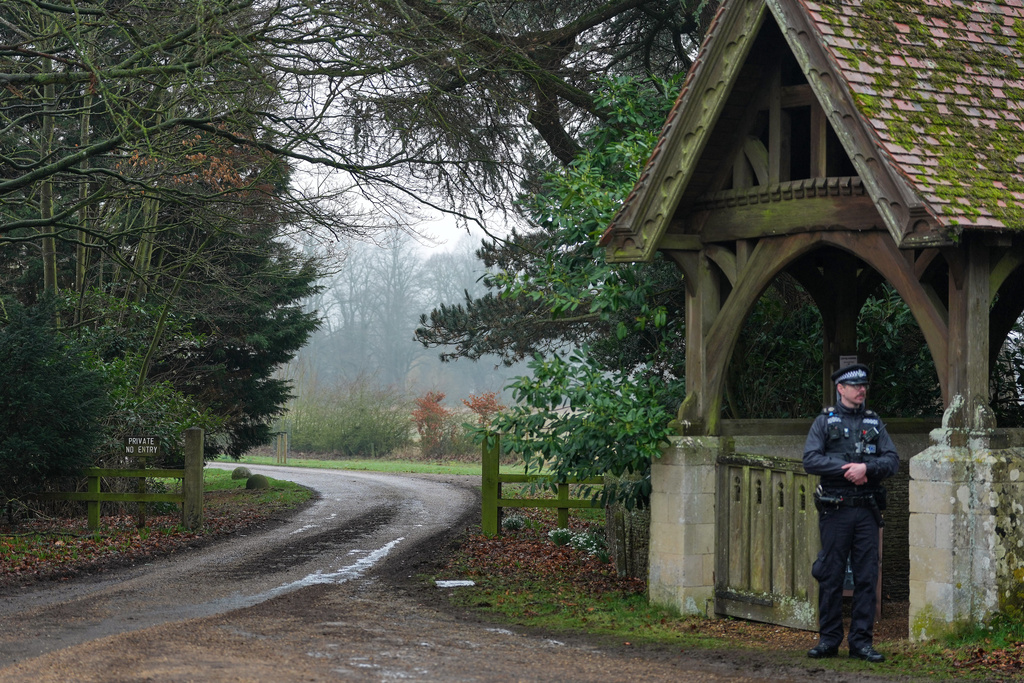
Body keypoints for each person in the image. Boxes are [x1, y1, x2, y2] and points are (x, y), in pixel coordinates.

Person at [803, 363, 899, 663]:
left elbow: (892, 460)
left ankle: (861, 642)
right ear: (840, 389)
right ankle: (829, 640)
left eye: (864, 385)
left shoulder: (874, 422)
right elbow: (811, 460)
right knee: (831, 575)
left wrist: (867, 469)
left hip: (866, 511)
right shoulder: (825, 422)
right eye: (856, 386)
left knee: (867, 577)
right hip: (835, 510)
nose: (862, 390)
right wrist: (847, 470)